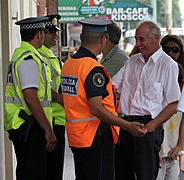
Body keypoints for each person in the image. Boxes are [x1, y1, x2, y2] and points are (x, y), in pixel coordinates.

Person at [61, 17, 147, 180]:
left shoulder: (69, 64)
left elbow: (65, 97)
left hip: (77, 137)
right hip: (95, 138)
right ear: (103, 39)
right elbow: (96, 108)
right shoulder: (93, 69)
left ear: (81, 38)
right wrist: (127, 125)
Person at [112, 21, 181, 180]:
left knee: (145, 176)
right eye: (136, 39)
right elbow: (112, 86)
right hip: (125, 126)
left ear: (156, 38)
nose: (138, 44)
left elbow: (174, 103)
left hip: (148, 128)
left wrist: (151, 126)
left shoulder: (168, 65)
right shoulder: (132, 61)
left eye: (141, 39)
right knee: (122, 174)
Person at [4, 16, 62, 180]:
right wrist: (48, 130)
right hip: (29, 126)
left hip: (26, 124)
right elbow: (31, 97)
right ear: (39, 35)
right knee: (33, 173)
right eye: (43, 33)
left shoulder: (21, 54)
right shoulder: (28, 59)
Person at [38, 14, 66, 180]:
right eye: (51, 32)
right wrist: (61, 99)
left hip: (57, 120)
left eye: (56, 31)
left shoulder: (50, 56)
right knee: (52, 171)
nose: (56, 35)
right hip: (51, 121)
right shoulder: (41, 56)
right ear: (42, 34)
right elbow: (41, 91)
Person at [156, 34, 184, 180]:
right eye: (166, 50)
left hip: (174, 151)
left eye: (175, 49)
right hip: (158, 149)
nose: (171, 53)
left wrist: (181, 147)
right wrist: (155, 148)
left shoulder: (182, 77)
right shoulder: (154, 75)